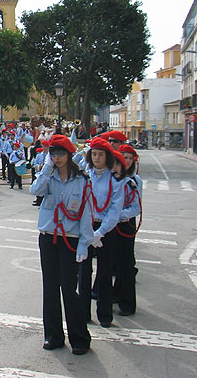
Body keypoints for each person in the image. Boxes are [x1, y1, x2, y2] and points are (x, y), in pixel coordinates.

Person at [29, 134, 93, 355]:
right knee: (50, 287)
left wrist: (85, 242)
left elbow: (86, 213)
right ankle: (53, 336)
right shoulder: (49, 176)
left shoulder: (82, 180)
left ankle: (80, 337)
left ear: (69, 154)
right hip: (48, 237)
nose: (56, 158)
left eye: (60, 153)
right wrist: (46, 168)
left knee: (68, 287)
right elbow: (35, 191)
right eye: (53, 154)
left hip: (71, 238)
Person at [78, 137, 124, 327]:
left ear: (108, 157)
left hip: (106, 229)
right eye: (94, 154)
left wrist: (101, 231)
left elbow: (115, 209)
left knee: (104, 273)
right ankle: (83, 313)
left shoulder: (115, 179)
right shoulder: (85, 175)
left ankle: (104, 314)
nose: (97, 158)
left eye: (100, 154)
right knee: (83, 272)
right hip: (86, 226)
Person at [113, 144, 142, 317]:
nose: (127, 161)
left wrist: (118, 215)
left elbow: (136, 207)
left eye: (130, 158)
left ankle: (127, 302)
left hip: (125, 222)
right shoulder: (113, 177)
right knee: (112, 261)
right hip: (111, 222)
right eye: (124, 158)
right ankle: (114, 294)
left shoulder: (135, 180)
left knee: (126, 262)